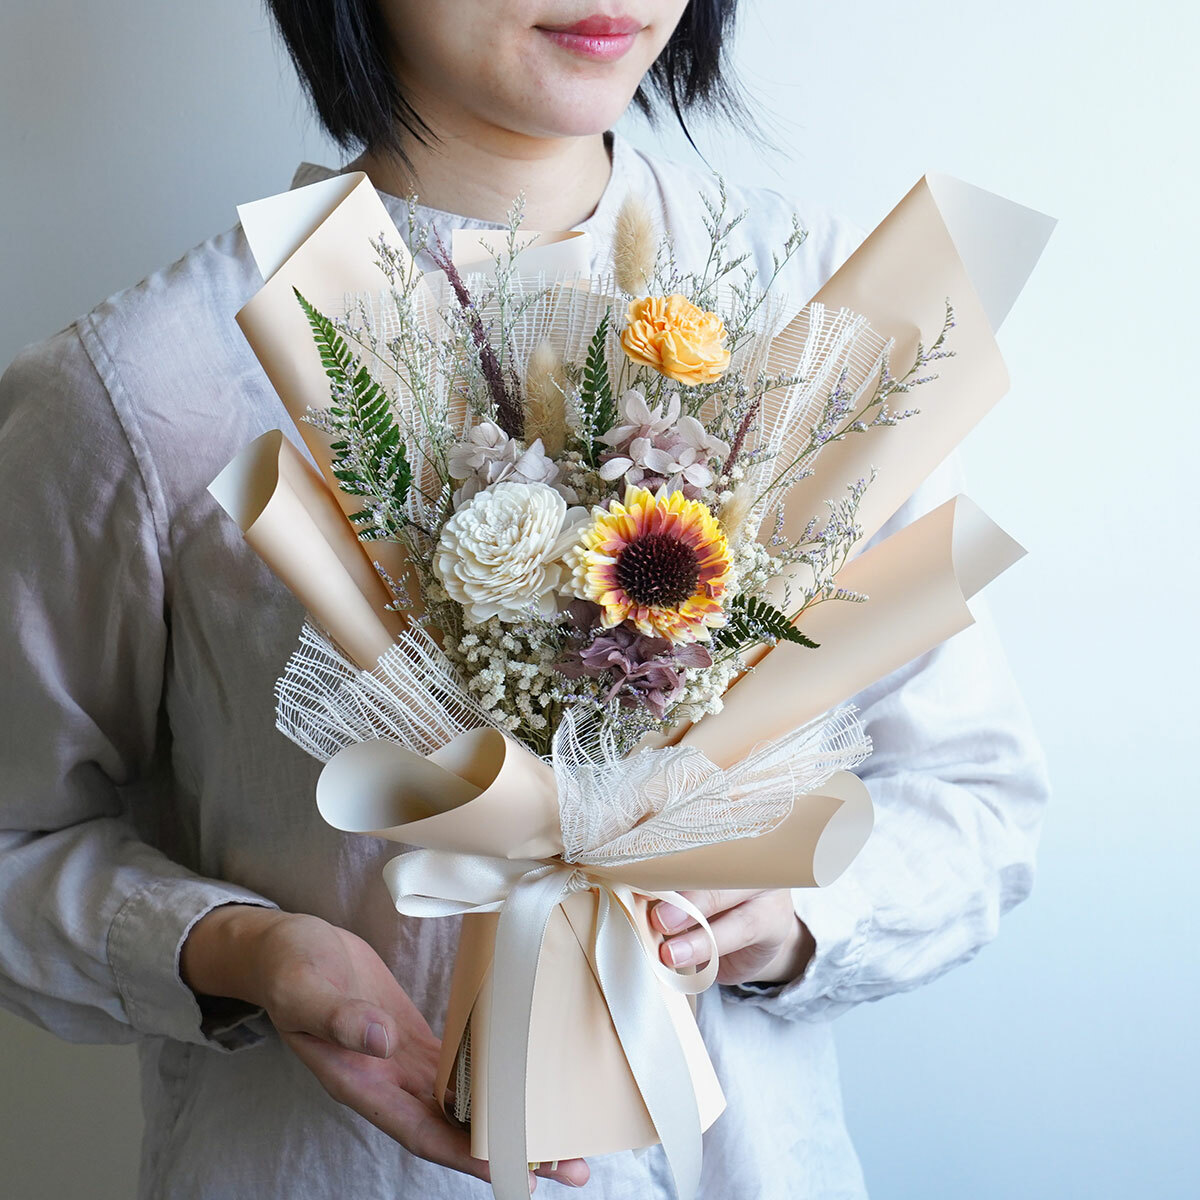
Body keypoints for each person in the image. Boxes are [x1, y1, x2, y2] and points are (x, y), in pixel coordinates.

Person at [0, 2, 1049, 1197]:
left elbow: (973, 795)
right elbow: (17, 839)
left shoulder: (828, 316)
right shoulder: (153, 383)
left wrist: (789, 910)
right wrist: (242, 950)